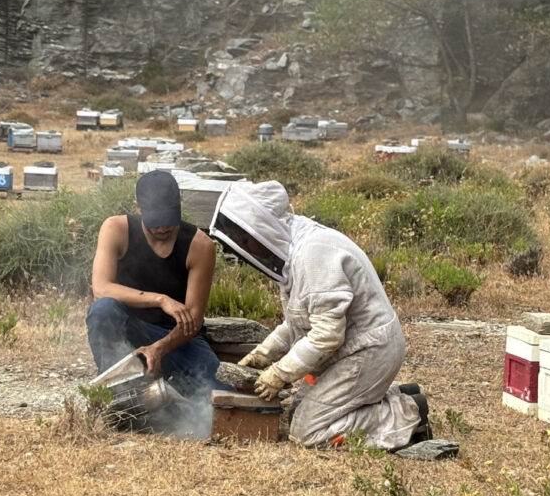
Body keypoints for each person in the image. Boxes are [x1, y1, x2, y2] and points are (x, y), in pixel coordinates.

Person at [209, 180, 430, 450]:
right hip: (351, 351)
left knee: (308, 431)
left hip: (369, 352)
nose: (244, 248)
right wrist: (264, 353)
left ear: (261, 230)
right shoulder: (295, 253)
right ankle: (398, 396)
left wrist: (279, 373)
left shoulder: (314, 254)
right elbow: (298, 322)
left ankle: (406, 412)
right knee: (296, 412)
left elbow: (327, 335)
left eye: (245, 240)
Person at [87, 170, 226, 400]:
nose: (162, 228)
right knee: (103, 310)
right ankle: (116, 392)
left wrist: (159, 348)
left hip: (175, 338)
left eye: (169, 220)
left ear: (180, 202)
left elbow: (193, 319)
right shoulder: (116, 229)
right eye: (154, 222)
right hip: (129, 328)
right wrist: (161, 300)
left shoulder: (200, 245)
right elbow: (101, 289)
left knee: (221, 394)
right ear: (138, 207)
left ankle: (166, 389)